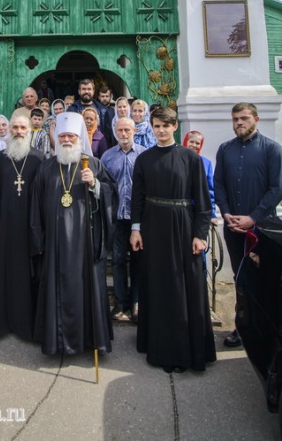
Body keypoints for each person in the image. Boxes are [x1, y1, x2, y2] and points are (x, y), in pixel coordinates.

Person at [130, 107, 216, 373]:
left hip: (183, 226)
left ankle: (185, 351)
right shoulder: (144, 159)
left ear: (175, 127)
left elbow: (203, 202)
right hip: (153, 227)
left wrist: (200, 235)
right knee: (157, 285)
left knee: (183, 286)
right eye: (156, 126)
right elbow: (137, 198)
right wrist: (136, 229)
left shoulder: (190, 158)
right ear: (152, 127)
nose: (161, 130)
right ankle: (159, 347)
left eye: (166, 126)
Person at [31, 112, 117, 356]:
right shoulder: (46, 167)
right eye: (63, 136)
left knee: (87, 289)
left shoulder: (93, 164)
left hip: (85, 242)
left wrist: (97, 186)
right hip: (55, 242)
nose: (67, 140)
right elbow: (35, 206)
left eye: (71, 136)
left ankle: (90, 340)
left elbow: (112, 194)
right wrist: (39, 239)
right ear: (56, 139)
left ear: (79, 137)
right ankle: (55, 341)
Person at [214, 102, 282, 348]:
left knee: (263, 278)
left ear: (256, 119)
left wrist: (252, 217)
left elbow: (277, 189)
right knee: (239, 278)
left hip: (262, 229)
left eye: (244, 118)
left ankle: (266, 327)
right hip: (233, 227)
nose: (239, 123)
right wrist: (227, 212)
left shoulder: (272, 150)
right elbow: (218, 184)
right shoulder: (225, 150)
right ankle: (241, 327)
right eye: (235, 119)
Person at [0, 116, 45, 341]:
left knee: (28, 273)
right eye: (15, 127)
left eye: (23, 127)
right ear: (8, 130)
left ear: (30, 129)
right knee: (3, 272)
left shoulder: (39, 158)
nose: (19, 131)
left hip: (29, 226)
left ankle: (26, 324)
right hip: (4, 225)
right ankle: (3, 322)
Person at [101, 117, 145, 322]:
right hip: (117, 217)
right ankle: (120, 302)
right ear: (115, 131)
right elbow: (103, 186)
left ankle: (137, 302)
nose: (124, 133)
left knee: (138, 260)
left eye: (127, 129)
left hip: (139, 217)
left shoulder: (144, 155)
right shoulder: (107, 157)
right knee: (118, 260)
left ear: (134, 130)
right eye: (120, 130)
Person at [183, 130, 218, 225]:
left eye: (197, 143)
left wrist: (212, 214)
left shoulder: (206, 163)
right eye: (191, 142)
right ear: (186, 141)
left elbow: (210, 190)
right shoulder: (177, 160)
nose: (194, 145)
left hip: (199, 211)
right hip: (181, 210)